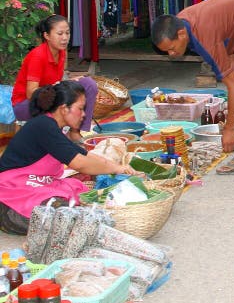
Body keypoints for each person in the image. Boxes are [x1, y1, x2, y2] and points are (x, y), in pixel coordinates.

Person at [151, 0, 234, 174]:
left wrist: (228, 129)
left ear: (181, 34)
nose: (171, 54)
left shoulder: (203, 36)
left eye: (171, 48)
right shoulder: (182, 23)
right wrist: (229, 53)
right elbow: (225, 26)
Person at [0, 82, 137, 234]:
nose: (84, 114)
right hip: (11, 191)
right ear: (64, 109)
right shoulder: (43, 126)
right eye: (80, 109)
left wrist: (117, 166)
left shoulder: (53, 127)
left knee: (77, 188)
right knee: (65, 213)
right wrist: (116, 168)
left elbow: (85, 155)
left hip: (32, 183)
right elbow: (79, 163)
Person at [12, 15, 98, 142]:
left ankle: (75, 131)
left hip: (50, 96)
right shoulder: (37, 56)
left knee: (88, 84)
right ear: (47, 36)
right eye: (60, 33)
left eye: (67, 33)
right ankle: (56, 138)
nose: (64, 38)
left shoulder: (61, 52)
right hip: (27, 105)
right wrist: (58, 87)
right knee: (66, 99)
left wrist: (68, 83)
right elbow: (32, 93)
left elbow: (55, 82)